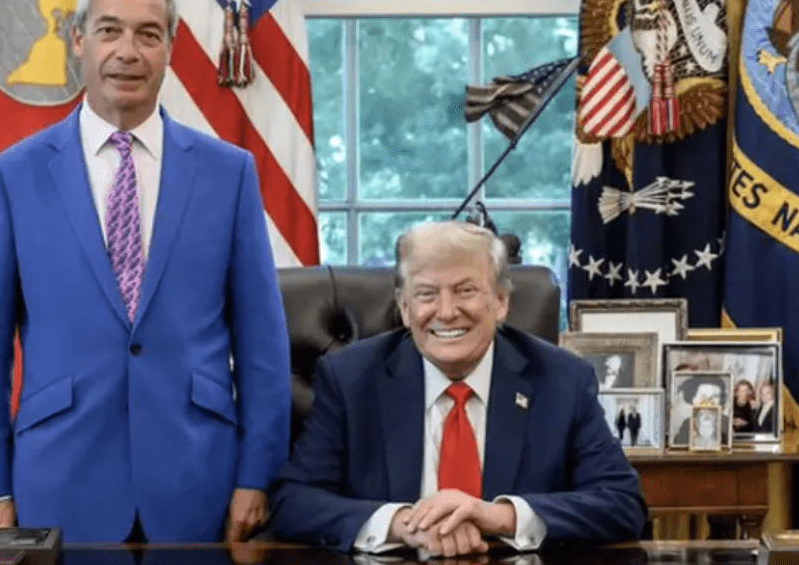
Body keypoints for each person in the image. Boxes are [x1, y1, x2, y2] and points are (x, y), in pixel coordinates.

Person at [0, 0, 290, 543]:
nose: (128, 52)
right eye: (109, 31)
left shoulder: (229, 174)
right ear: (78, 39)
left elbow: (261, 340)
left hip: (200, 482)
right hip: (58, 482)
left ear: (170, 47)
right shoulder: (14, 176)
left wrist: (256, 476)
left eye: (148, 34)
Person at [268, 221, 646, 556]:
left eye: (465, 290)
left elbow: (622, 503)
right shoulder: (351, 379)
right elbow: (293, 502)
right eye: (426, 294)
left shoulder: (562, 379)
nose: (447, 312)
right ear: (404, 308)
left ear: (500, 301)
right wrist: (403, 524)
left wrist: (497, 516)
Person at [671, 376, 729, 446]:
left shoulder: (725, 422)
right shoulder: (688, 423)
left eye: (715, 396)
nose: (708, 401)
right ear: (693, 399)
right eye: (703, 396)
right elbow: (679, 446)